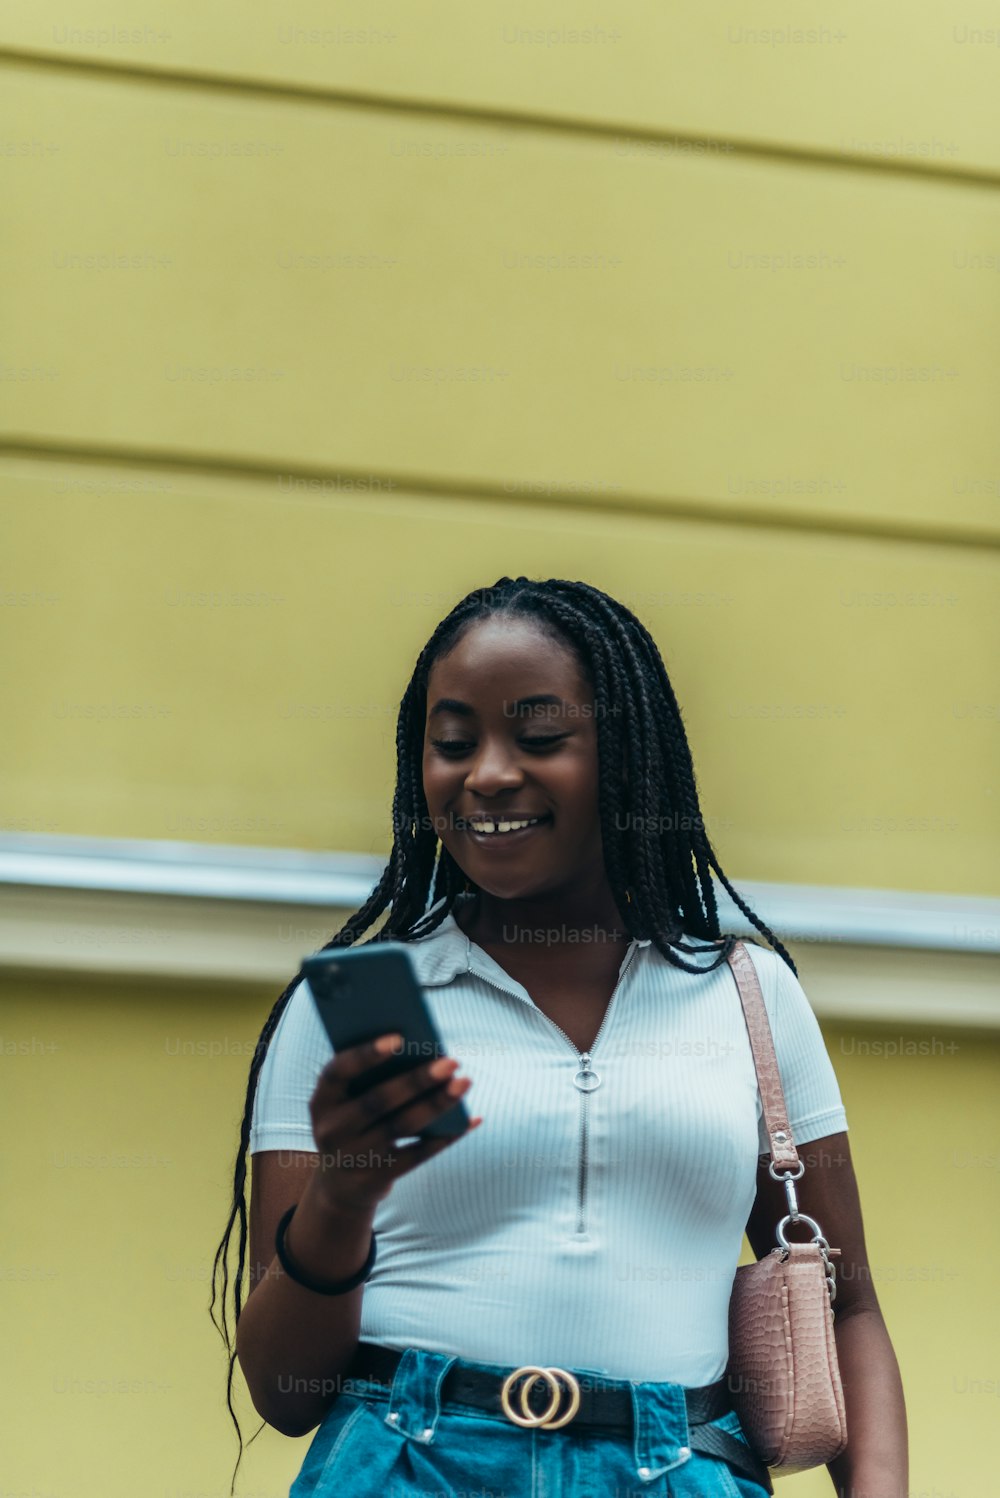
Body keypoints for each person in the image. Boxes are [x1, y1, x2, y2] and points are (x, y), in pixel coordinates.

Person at [211, 576, 908, 1497]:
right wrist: (344, 1197)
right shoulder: (355, 1007)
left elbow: (848, 1303)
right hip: (404, 1460)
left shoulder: (748, 995)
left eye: (538, 737)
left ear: (625, 756)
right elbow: (283, 1392)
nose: (488, 774)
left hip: (678, 1466)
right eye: (452, 743)